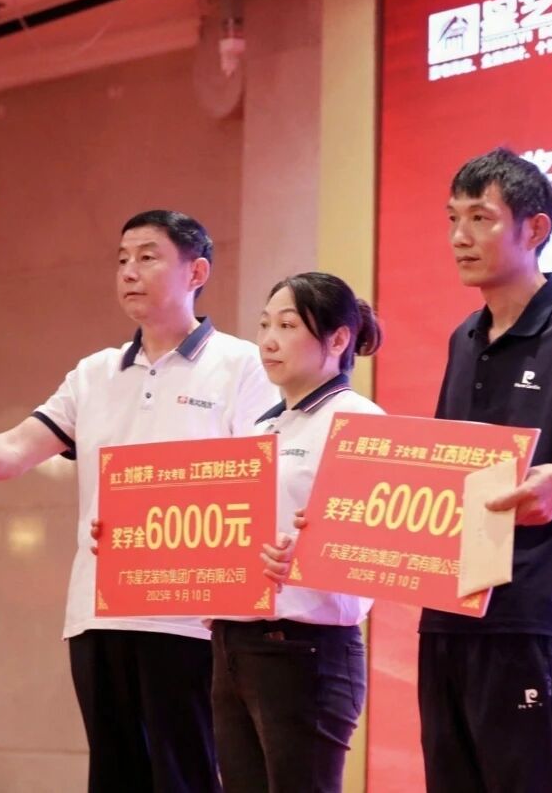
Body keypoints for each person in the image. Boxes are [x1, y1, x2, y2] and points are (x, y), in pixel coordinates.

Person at [0, 210, 277, 793]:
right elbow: (12, 452)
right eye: (122, 259)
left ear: (197, 272)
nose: (129, 271)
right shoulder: (94, 373)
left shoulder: (242, 365)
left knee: (184, 776)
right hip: (98, 613)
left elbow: (262, 478)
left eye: (148, 257)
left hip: (192, 620)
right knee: (113, 774)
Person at [419, 147, 552, 792]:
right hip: (448, 611)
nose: (460, 236)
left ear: (535, 229)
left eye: (480, 218)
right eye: (453, 219)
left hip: (531, 615)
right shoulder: (463, 338)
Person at [212, 272, 384, 793]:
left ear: (338, 339)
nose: (268, 340)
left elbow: (380, 547)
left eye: (287, 326)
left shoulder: (360, 422)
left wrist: (311, 559)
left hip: (307, 652)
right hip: (233, 646)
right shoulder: (259, 427)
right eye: (264, 324)